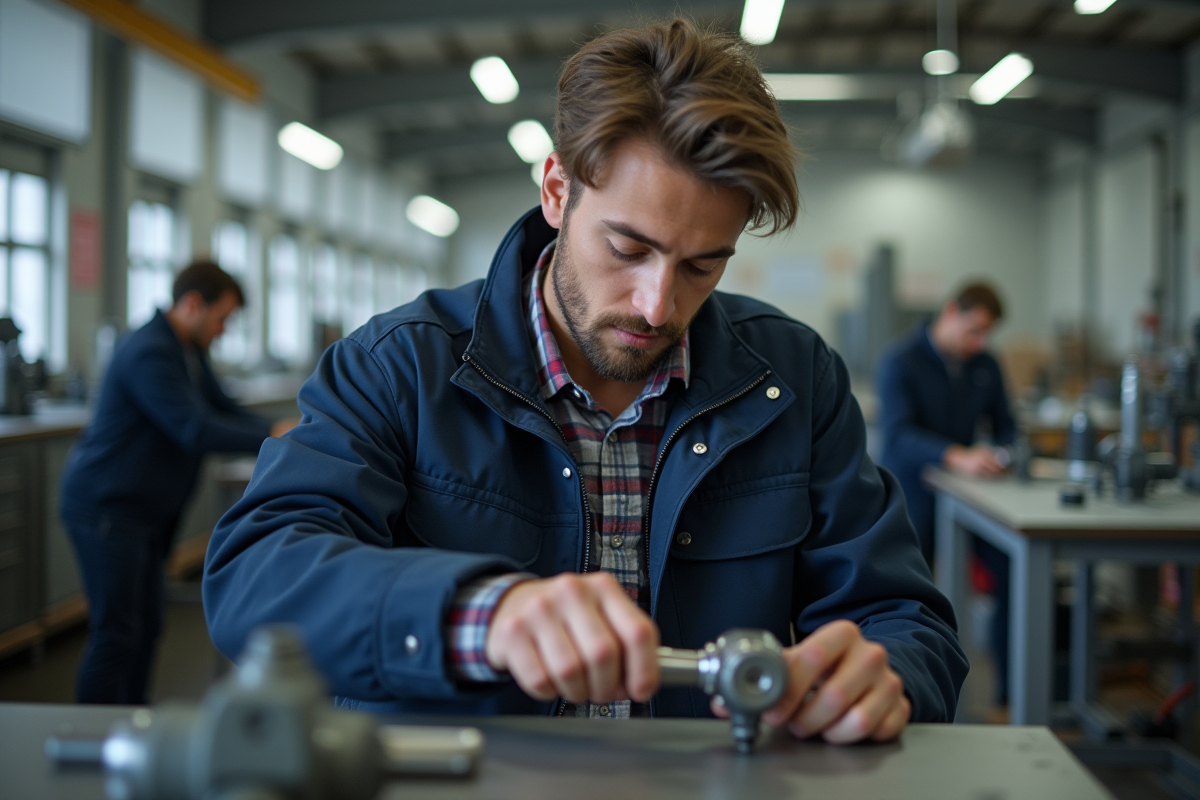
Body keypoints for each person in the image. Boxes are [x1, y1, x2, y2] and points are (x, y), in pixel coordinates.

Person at [205, 19, 967, 744]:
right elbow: (256, 574)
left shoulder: (795, 379)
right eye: (629, 248)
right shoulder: (400, 365)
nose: (657, 304)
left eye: (704, 264)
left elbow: (906, 617)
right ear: (558, 191)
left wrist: (889, 676)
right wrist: (480, 615)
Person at [60, 261, 296, 704]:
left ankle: (132, 723)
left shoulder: (187, 348)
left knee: (146, 628)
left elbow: (221, 407)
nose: (223, 331)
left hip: (146, 512)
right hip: (107, 510)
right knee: (115, 635)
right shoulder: (149, 351)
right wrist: (271, 435)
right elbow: (194, 428)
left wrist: (283, 427)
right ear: (192, 304)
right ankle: (89, 735)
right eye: (221, 319)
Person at [877, 281, 1015, 704]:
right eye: (974, 330)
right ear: (951, 312)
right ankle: (907, 694)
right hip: (914, 492)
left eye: (986, 333)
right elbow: (898, 435)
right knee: (908, 590)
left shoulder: (985, 364)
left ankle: (1009, 694)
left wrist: (1002, 455)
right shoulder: (900, 361)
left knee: (1011, 571)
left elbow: (1007, 425)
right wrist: (956, 455)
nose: (980, 341)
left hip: (971, 497)